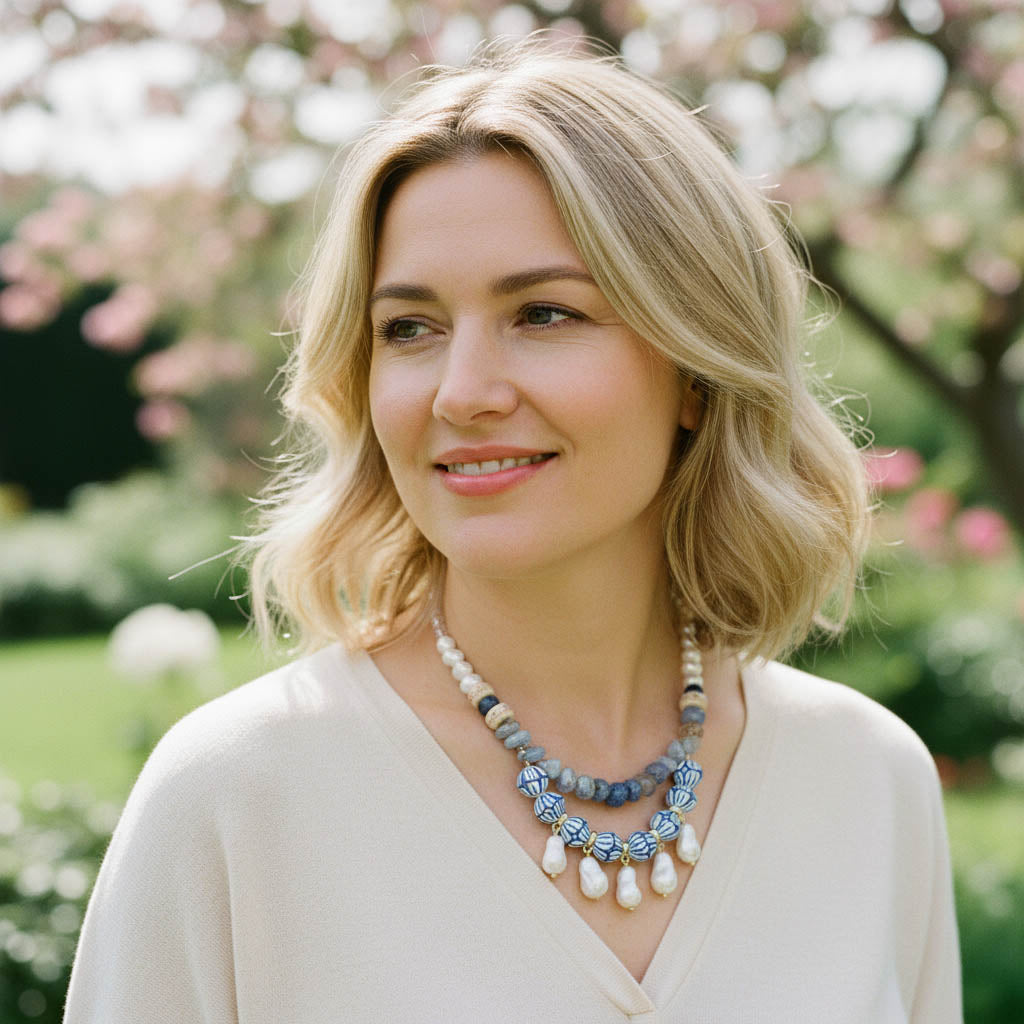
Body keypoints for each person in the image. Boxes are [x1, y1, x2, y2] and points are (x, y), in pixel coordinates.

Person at [63, 41, 961, 1023]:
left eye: (542, 313)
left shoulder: (868, 781)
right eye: (409, 327)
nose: (462, 393)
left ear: (697, 370)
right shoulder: (233, 799)